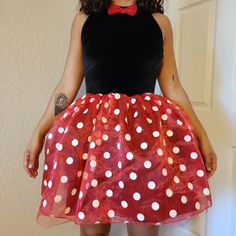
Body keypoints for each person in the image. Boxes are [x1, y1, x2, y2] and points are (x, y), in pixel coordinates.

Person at [23, 0, 217, 235]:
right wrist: (39, 132)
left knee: (143, 229)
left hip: (145, 140)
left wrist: (202, 136)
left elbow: (174, 87)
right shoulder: (84, 20)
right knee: (93, 231)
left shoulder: (160, 23)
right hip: (94, 140)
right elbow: (66, 87)